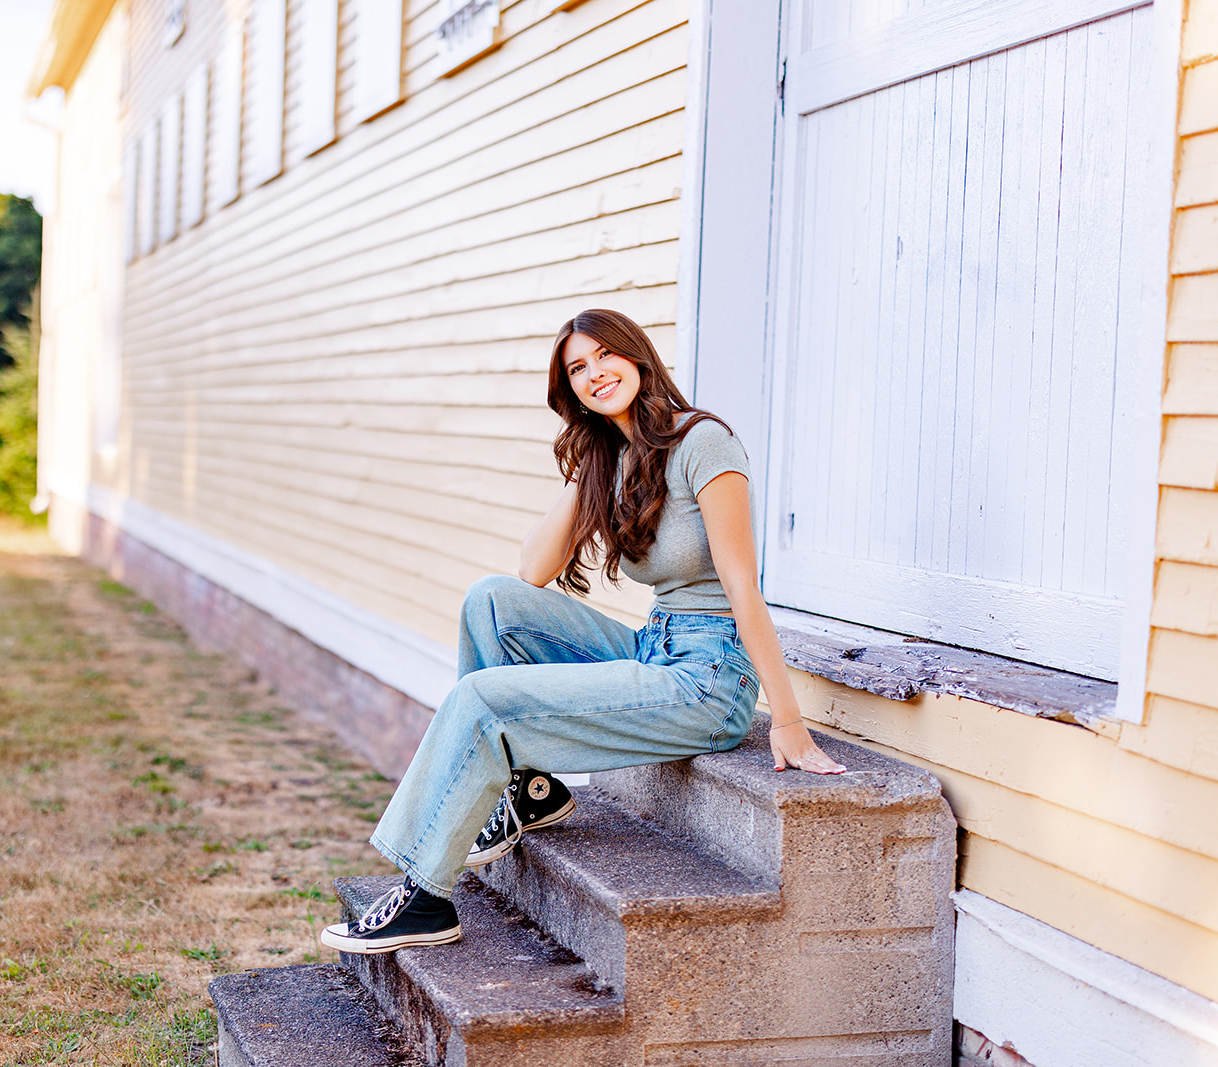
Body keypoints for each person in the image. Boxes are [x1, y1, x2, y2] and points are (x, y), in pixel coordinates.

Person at [321, 309, 846, 955]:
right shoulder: (617, 458)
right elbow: (532, 570)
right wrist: (590, 458)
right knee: (493, 601)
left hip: (708, 678)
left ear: (638, 357)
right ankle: (530, 790)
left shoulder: (704, 441)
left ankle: (425, 896)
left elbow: (743, 587)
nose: (595, 373)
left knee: (483, 700)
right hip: (655, 645)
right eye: (577, 369)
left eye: (605, 357)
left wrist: (788, 719)